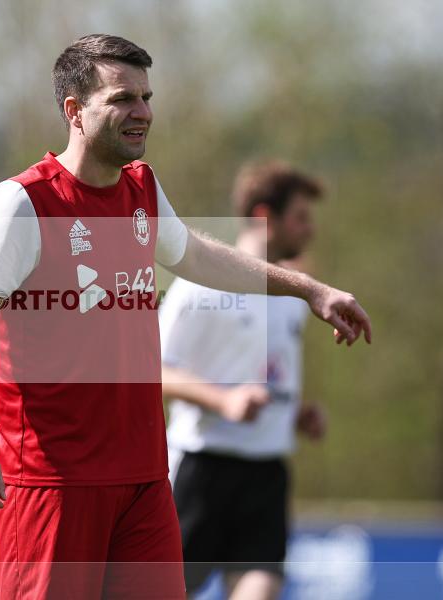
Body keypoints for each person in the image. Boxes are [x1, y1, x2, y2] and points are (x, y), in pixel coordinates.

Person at [0, 34, 371, 600]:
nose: (142, 112)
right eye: (122, 98)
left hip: (144, 481)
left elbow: (197, 256)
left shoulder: (141, 187)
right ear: (74, 110)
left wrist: (308, 290)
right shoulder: (24, 202)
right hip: (53, 482)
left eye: (146, 97)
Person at [161, 161, 331, 599]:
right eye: (300, 217)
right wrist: (224, 402)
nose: (310, 229)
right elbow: (151, 371)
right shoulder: (201, 286)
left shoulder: (294, 294)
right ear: (264, 216)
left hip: (267, 473)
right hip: (202, 469)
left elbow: (269, 377)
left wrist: (296, 412)